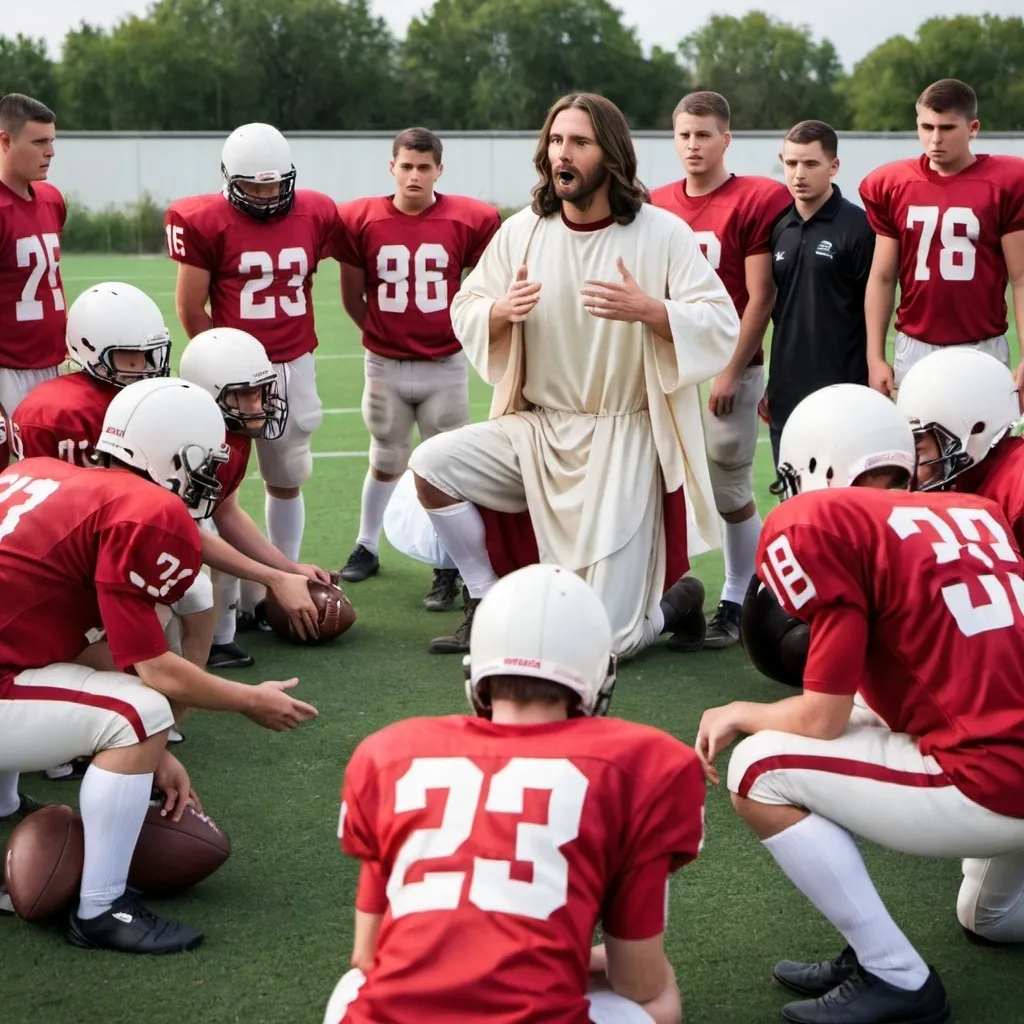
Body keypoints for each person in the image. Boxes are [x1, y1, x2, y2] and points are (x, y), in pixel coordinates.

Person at [696, 383, 1024, 1023]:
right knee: (990, 918)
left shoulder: (821, 521)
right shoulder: (973, 508)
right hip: (1007, 752)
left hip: (995, 779)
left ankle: (896, 975)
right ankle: (866, 945)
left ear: (815, 466)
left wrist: (742, 712)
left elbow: (819, 718)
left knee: (758, 768)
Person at [407, 92, 740, 658]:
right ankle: (485, 597)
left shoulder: (661, 234)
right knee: (432, 464)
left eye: (579, 142)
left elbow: (719, 322)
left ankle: (675, 601)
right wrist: (498, 312)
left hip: (623, 440)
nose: (563, 153)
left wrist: (653, 311)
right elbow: (468, 303)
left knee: (605, 643)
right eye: (556, 141)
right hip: (538, 431)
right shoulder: (524, 232)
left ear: (609, 154)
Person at [0, 377, 317, 953]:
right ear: (174, 454)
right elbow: (156, 672)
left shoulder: (40, 474)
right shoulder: (144, 509)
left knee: (112, 698)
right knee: (142, 712)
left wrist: (149, 756)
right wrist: (249, 701)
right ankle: (101, 908)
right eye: (205, 462)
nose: (210, 477)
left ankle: (6, 804)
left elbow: (79, 646)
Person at [327, 563, 704, 1024]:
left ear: (477, 669)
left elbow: (368, 955)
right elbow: (637, 980)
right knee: (659, 994)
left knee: (354, 986)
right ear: (601, 675)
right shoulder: (647, 764)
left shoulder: (389, 753)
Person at [164, 121, 341, 657]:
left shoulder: (315, 210)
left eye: (273, 185)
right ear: (228, 179)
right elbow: (191, 307)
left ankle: (273, 593)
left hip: (293, 361)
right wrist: (220, 362)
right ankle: (229, 613)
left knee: (287, 478)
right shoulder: (202, 219)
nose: (266, 197)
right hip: (232, 373)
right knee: (221, 488)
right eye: (253, 187)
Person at [335, 127, 502, 615]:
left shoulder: (468, 219)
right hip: (384, 363)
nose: (414, 175)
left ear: (439, 170)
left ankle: (448, 568)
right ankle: (367, 545)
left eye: (424, 167)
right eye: (406, 165)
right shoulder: (362, 217)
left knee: (447, 471)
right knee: (385, 456)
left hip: (445, 364)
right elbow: (351, 295)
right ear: (392, 167)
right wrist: (383, 337)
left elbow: (482, 286)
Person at [650, 91, 790, 650]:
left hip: (729, 363)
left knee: (730, 485)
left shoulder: (754, 198)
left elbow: (761, 296)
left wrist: (732, 371)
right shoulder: (658, 202)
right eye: (684, 134)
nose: (692, 145)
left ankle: (738, 598)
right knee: (659, 477)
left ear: (725, 139)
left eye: (703, 134)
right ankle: (665, 591)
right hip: (672, 363)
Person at [178, 325, 334, 664]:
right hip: (135, 534)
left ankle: (220, 639)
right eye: (244, 394)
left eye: (261, 392)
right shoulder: (190, 441)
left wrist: (288, 568)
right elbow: (185, 533)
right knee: (188, 593)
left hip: (178, 524)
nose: (258, 404)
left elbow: (226, 511)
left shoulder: (228, 433)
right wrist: (275, 578)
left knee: (222, 543)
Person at [859, 78, 1024, 395]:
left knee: (985, 444)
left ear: (973, 128)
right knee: (921, 445)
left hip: (983, 346)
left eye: (947, 128)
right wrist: (875, 357)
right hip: (915, 346)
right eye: (926, 126)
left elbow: (1020, 277)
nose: (935, 138)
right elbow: (882, 277)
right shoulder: (892, 184)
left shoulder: (1005, 183)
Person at [765, 120, 875, 465]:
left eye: (811, 163)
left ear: (833, 166)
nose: (799, 173)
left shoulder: (858, 227)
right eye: (791, 163)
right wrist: (774, 383)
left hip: (844, 392)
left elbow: (875, 307)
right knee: (792, 500)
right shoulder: (779, 227)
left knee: (842, 503)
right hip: (786, 393)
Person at [0, 93, 66, 462]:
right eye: (39, 141)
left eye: (52, 140)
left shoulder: (52, 200)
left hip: (52, 365)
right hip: (6, 371)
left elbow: (50, 279)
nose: (50, 151)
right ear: (5, 140)